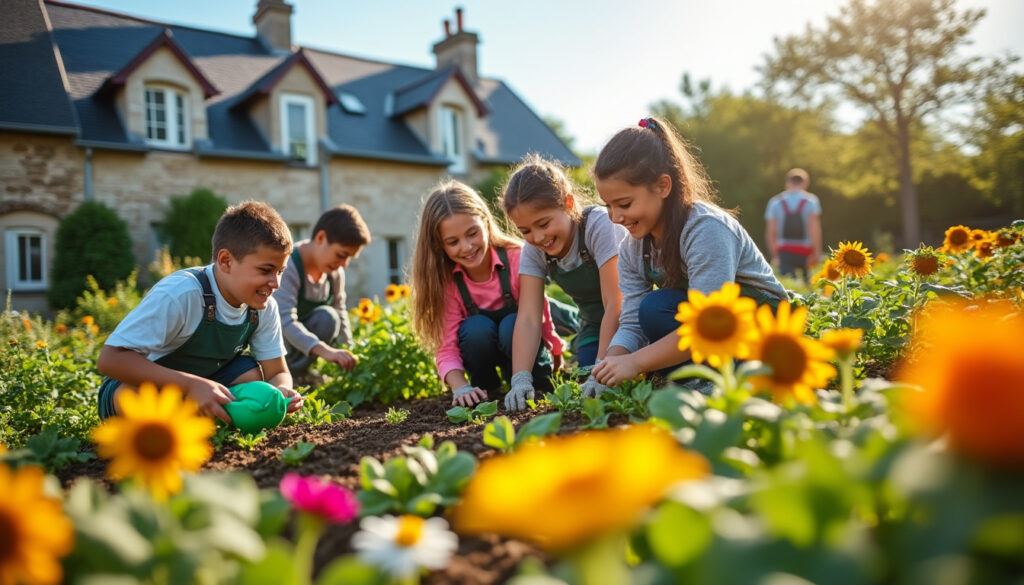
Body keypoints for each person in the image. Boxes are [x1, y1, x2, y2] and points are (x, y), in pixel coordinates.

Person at [591, 117, 787, 388]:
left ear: (663, 186)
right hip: (712, 332)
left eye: (624, 204)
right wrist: (609, 367)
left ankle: (737, 372)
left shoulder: (706, 228)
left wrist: (636, 363)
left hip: (762, 324)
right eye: (608, 206)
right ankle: (708, 373)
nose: (615, 217)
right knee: (651, 310)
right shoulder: (633, 247)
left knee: (656, 315)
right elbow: (632, 321)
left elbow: (709, 325)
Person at [97, 201, 303, 423]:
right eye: (266, 270)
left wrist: (281, 391)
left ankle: (200, 418)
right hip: (146, 384)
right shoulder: (181, 293)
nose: (276, 283)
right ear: (226, 261)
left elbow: (276, 371)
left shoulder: (263, 306)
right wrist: (191, 385)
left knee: (250, 374)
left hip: (206, 383)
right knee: (133, 398)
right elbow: (110, 360)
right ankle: (194, 419)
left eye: (280, 271)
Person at [409, 180, 565, 409]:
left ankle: (530, 382)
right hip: (483, 367)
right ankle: (487, 390)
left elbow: (538, 313)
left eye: (472, 233)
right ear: (439, 245)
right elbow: (447, 347)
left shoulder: (516, 258)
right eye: (453, 242)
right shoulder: (448, 283)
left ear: (485, 221)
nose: (467, 247)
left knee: (512, 323)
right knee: (475, 329)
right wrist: (460, 387)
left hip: (527, 359)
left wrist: (556, 349)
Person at [501, 154, 628, 409]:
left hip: (632, 319)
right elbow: (527, 318)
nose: (537, 237)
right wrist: (520, 378)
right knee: (587, 379)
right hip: (593, 325)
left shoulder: (598, 226)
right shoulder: (534, 249)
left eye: (543, 223)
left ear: (568, 203)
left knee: (619, 379)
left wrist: (604, 363)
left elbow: (617, 302)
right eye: (525, 230)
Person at [277, 204, 369, 376]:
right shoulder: (289, 265)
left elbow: (340, 311)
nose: (344, 264)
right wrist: (326, 351)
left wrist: (348, 350)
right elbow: (285, 321)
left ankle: (303, 374)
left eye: (349, 258)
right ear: (320, 238)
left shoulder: (334, 273)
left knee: (330, 317)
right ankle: (286, 374)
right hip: (279, 347)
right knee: (327, 317)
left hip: (304, 348)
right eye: (341, 255)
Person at [764, 168, 822, 281]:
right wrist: (816, 253)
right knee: (809, 292)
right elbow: (814, 229)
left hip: (784, 251)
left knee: (789, 289)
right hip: (806, 251)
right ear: (805, 183)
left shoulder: (775, 202)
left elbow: (770, 231)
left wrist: (775, 255)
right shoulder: (812, 201)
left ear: (787, 183)